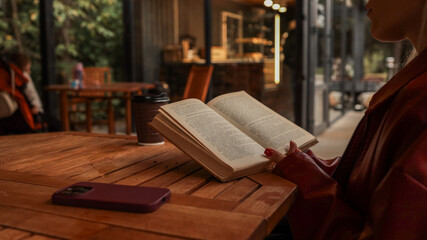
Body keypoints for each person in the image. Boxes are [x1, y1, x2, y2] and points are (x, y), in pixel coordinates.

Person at [264, 0, 427, 239]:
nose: (367, 3)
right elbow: (375, 183)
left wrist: (308, 180)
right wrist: (310, 167)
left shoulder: (421, 99)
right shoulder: (415, 83)